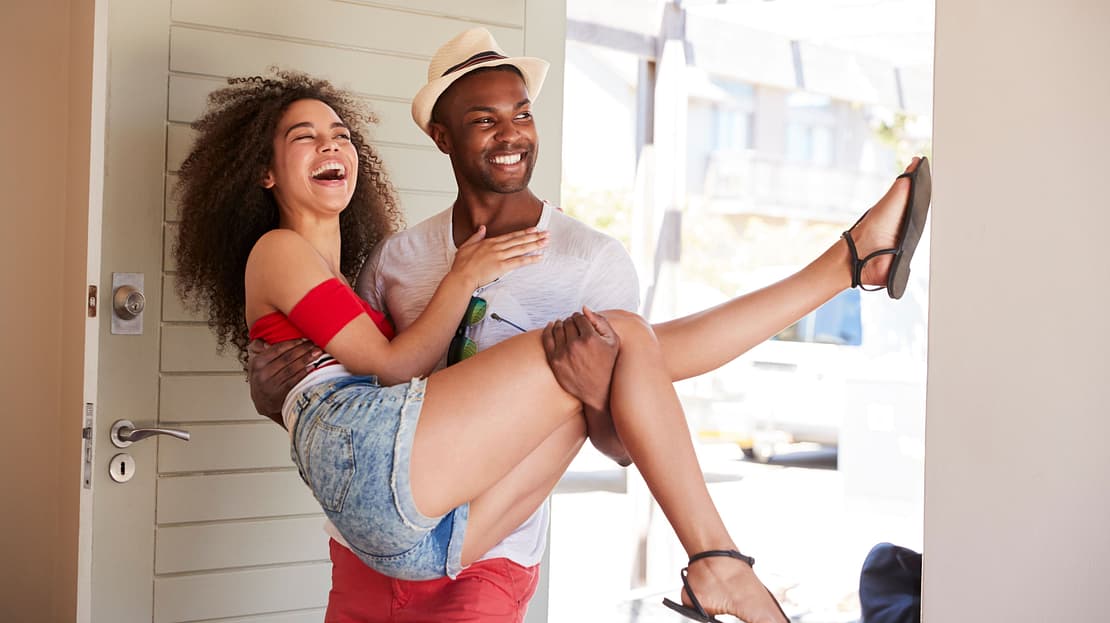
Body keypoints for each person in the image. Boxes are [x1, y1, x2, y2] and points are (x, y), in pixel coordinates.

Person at [178, 40, 928, 623]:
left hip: (473, 546)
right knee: (627, 338)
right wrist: (458, 281)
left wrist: (600, 390)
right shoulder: (397, 259)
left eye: (523, 114)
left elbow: (622, 440)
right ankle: (844, 268)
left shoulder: (590, 259)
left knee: (618, 346)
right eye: (484, 118)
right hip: (372, 536)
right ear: (442, 137)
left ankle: (842, 267)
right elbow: (376, 380)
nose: (510, 134)